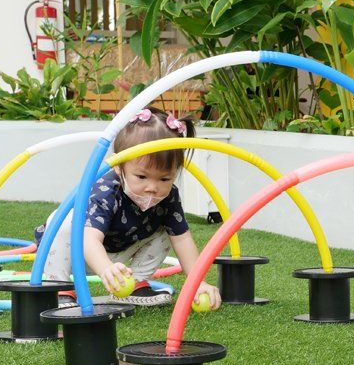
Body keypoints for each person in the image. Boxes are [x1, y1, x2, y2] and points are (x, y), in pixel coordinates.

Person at [34, 107, 221, 309]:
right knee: (62, 222)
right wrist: (106, 268)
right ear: (118, 166)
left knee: (170, 232)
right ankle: (59, 287)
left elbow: (182, 238)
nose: (152, 188)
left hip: (119, 252)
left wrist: (198, 283)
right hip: (77, 250)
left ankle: (132, 284)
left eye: (165, 178)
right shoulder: (105, 190)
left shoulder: (169, 195)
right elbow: (89, 239)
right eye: (141, 176)